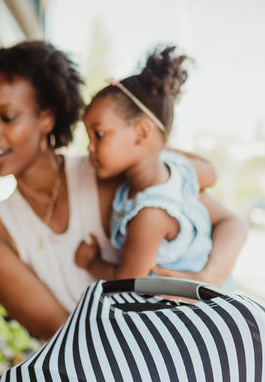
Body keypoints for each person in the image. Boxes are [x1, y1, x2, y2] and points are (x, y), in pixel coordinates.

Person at [0, 41, 247, 341]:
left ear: (46, 118)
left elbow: (229, 222)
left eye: (7, 117)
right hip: (101, 374)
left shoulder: (111, 172)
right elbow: (59, 332)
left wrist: (207, 282)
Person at [75, 46, 215, 283]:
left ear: (141, 133)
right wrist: (157, 146)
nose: (89, 147)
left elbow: (128, 281)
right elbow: (210, 172)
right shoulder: (175, 170)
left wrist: (91, 263)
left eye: (99, 134)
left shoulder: (151, 213)